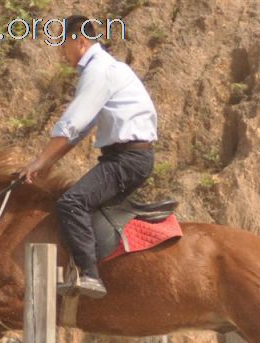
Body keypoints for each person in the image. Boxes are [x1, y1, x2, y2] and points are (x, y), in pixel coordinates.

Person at [19, 15, 157, 298]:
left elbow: (72, 124)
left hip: (126, 159)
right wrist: (46, 163)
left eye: (63, 44)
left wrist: (38, 162)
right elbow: (79, 133)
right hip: (126, 157)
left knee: (72, 203)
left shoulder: (99, 70)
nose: (60, 52)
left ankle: (89, 275)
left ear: (80, 41)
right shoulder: (104, 69)